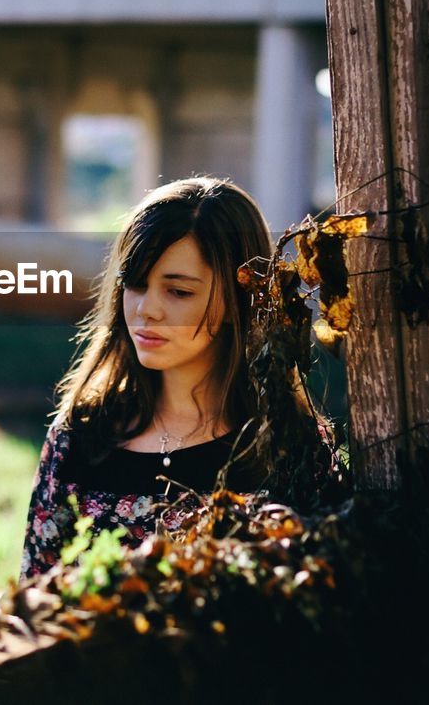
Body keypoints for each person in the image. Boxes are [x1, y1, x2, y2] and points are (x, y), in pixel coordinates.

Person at [20, 176, 334, 580]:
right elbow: (32, 602)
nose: (145, 310)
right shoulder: (81, 436)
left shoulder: (291, 447)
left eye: (179, 292)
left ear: (240, 297)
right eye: (134, 284)